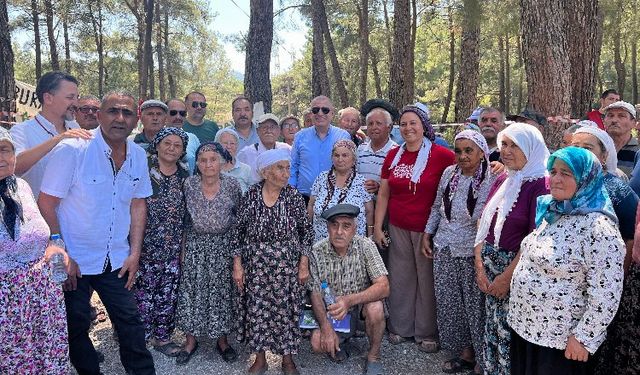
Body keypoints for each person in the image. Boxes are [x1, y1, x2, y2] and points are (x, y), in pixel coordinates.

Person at [37, 91, 156, 375]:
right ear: (99, 115)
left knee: (130, 323)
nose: (119, 118)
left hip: (116, 259)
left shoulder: (138, 155)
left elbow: (138, 204)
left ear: (135, 120)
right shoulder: (73, 150)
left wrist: (135, 253)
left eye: (127, 113)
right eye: (112, 111)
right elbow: (47, 202)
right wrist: (62, 253)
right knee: (76, 325)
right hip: (74, 260)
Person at [508, 146, 625, 374]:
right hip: (526, 327)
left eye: (566, 173)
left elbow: (606, 293)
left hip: (560, 342)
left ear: (585, 178)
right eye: (553, 172)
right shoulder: (554, 212)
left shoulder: (599, 228)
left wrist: (583, 338)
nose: (556, 179)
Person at [373, 104, 455, 353]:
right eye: (404, 124)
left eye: (413, 123)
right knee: (400, 278)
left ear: (424, 127)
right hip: (398, 225)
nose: (408, 128)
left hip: (427, 229)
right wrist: (377, 227)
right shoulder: (393, 155)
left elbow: (468, 170)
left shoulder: (442, 155)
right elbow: (384, 194)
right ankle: (400, 327)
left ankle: (427, 331)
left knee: (426, 280)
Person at [473, 123, 550, 375]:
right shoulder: (504, 178)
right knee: (492, 331)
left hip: (516, 271)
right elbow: (484, 224)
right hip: (491, 266)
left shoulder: (540, 185)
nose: (506, 151)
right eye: (504, 144)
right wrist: (480, 268)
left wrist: (506, 278)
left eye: (514, 145)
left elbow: (533, 239)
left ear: (531, 148)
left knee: (509, 336)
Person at [231, 148, 313, 375]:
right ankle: (260, 359)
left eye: (288, 168)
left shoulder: (293, 196)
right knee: (256, 310)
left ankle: (287, 360)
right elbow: (237, 232)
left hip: (286, 265)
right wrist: (237, 265)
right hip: (255, 265)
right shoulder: (251, 196)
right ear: (266, 172)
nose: (287, 173)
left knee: (287, 310)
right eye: (281, 168)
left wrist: (303, 263)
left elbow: (306, 232)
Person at [423, 130, 498, 375]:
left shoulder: (492, 176)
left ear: (481, 152)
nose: (463, 156)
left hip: (471, 250)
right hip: (444, 245)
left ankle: (481, 358)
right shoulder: (449, 173)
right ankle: (464, 352)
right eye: (458, 150)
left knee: (476, 306)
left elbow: (485, 219)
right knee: (449, 303)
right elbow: (436, 206)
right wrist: (428, 234)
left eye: (469, 151)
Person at [0, 128, 69, 374]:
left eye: (4, 149)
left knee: (46, 355)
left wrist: (56, 247)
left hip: (41, 295)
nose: (1, 158)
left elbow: (44, 233)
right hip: (7, 303)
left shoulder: (22, 186)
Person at [174, 142, 242, 365]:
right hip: (195, 246)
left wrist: (236, 258)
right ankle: (190, 340)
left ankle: (222, 340)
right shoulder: (189, 184)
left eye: (213, 159)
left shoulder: (232, 185)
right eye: (203, 160)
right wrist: (183, 250)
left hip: (222, 247)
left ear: (222, 162)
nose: (208, 164)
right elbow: (184, 221)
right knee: (193, 292)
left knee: (221, 293)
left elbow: (238, 222)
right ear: (198, 163)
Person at [308, 204, 389, 375]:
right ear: (327, 228)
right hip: (333, 311)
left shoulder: (366, 246)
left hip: (360, 309)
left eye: (346, 226)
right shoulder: (316, 252)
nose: (339, 232)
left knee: (376, 307)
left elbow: (384, 287)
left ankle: (373, 356)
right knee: (317, 343)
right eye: (334, 225)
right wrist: (325, 327)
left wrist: (349, 300)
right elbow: (315, 293)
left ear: (354, 229)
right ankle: (341, 341)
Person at [134, 127, 190, 357]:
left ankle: (163, 338)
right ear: (156, 145)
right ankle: (140, 338)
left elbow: (188, 215)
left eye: (177, 145)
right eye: (167, 143)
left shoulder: (186, 175)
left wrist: (183, 248)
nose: (172, 148)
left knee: (167, 294)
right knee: (141, 293)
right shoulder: (143, 169)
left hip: (173, 246)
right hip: (144, 244)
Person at [10, 71, 91, 198]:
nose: (76, 103)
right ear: (48, 98)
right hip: (37, 215)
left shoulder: (75, 127)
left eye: (77, 97)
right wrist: (58, 139)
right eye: (70, 97)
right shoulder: (22, 130)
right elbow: (15, 166)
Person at [571, 126, 638, 257]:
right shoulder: (562, 182)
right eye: (575, 146)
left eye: (587, 148)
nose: (579, 152)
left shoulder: (616, 189)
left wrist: (621, 274)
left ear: (604, 156)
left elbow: (630, 237)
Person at [308, 139, 374, 243]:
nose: (340, 159)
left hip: (352, 244)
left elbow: (369, 212)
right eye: (336, 155)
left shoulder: (362, 183)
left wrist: (370, 236)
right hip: (321, 244)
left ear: (353, 159)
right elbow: (311, 206)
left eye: (345, 155)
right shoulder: (321, 178)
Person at [290, 96, 351, 203]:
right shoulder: (300, 136)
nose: (320, 113)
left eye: (325, 110)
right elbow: (293, 166)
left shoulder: (343, 136)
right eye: (315, 110)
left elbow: (350, 166)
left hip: (334, 198)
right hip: (303, 198)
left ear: (332, 113)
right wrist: (292, 191)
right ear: (311, 114)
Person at [237, 113, 291, 184]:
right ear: (257, 131)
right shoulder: (246, 153)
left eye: (272, 127)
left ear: (278, 131)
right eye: (264, 127)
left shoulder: (286, 149)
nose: (268, 131)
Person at [356, 107, 398, 195]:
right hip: (360, 201)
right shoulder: (360, 149)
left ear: (389, 127)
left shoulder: (396, 152)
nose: (374, 127)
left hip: (384, 203)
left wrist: (380, 187)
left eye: (378, 123)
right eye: (370, 124)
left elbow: (398, 184)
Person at [603, 101, 639, 177]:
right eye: (610, 116)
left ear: (633, 123)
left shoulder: (638, 150)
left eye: (621, 116)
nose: (614, 120)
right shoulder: (597, 147)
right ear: (604, 122)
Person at [165, 98, 200, 173]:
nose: (178, 117)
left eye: (182, 113)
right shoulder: (157, 139)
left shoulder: (193, 138)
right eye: (173, 113)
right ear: (165, 114)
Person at [215, 128, 253, 192]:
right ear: (217, 146)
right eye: (225, 143)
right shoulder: (211, 168)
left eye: (232, 143)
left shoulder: (246, 169)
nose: (229, 146)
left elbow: (252, 194)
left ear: (237, 146)